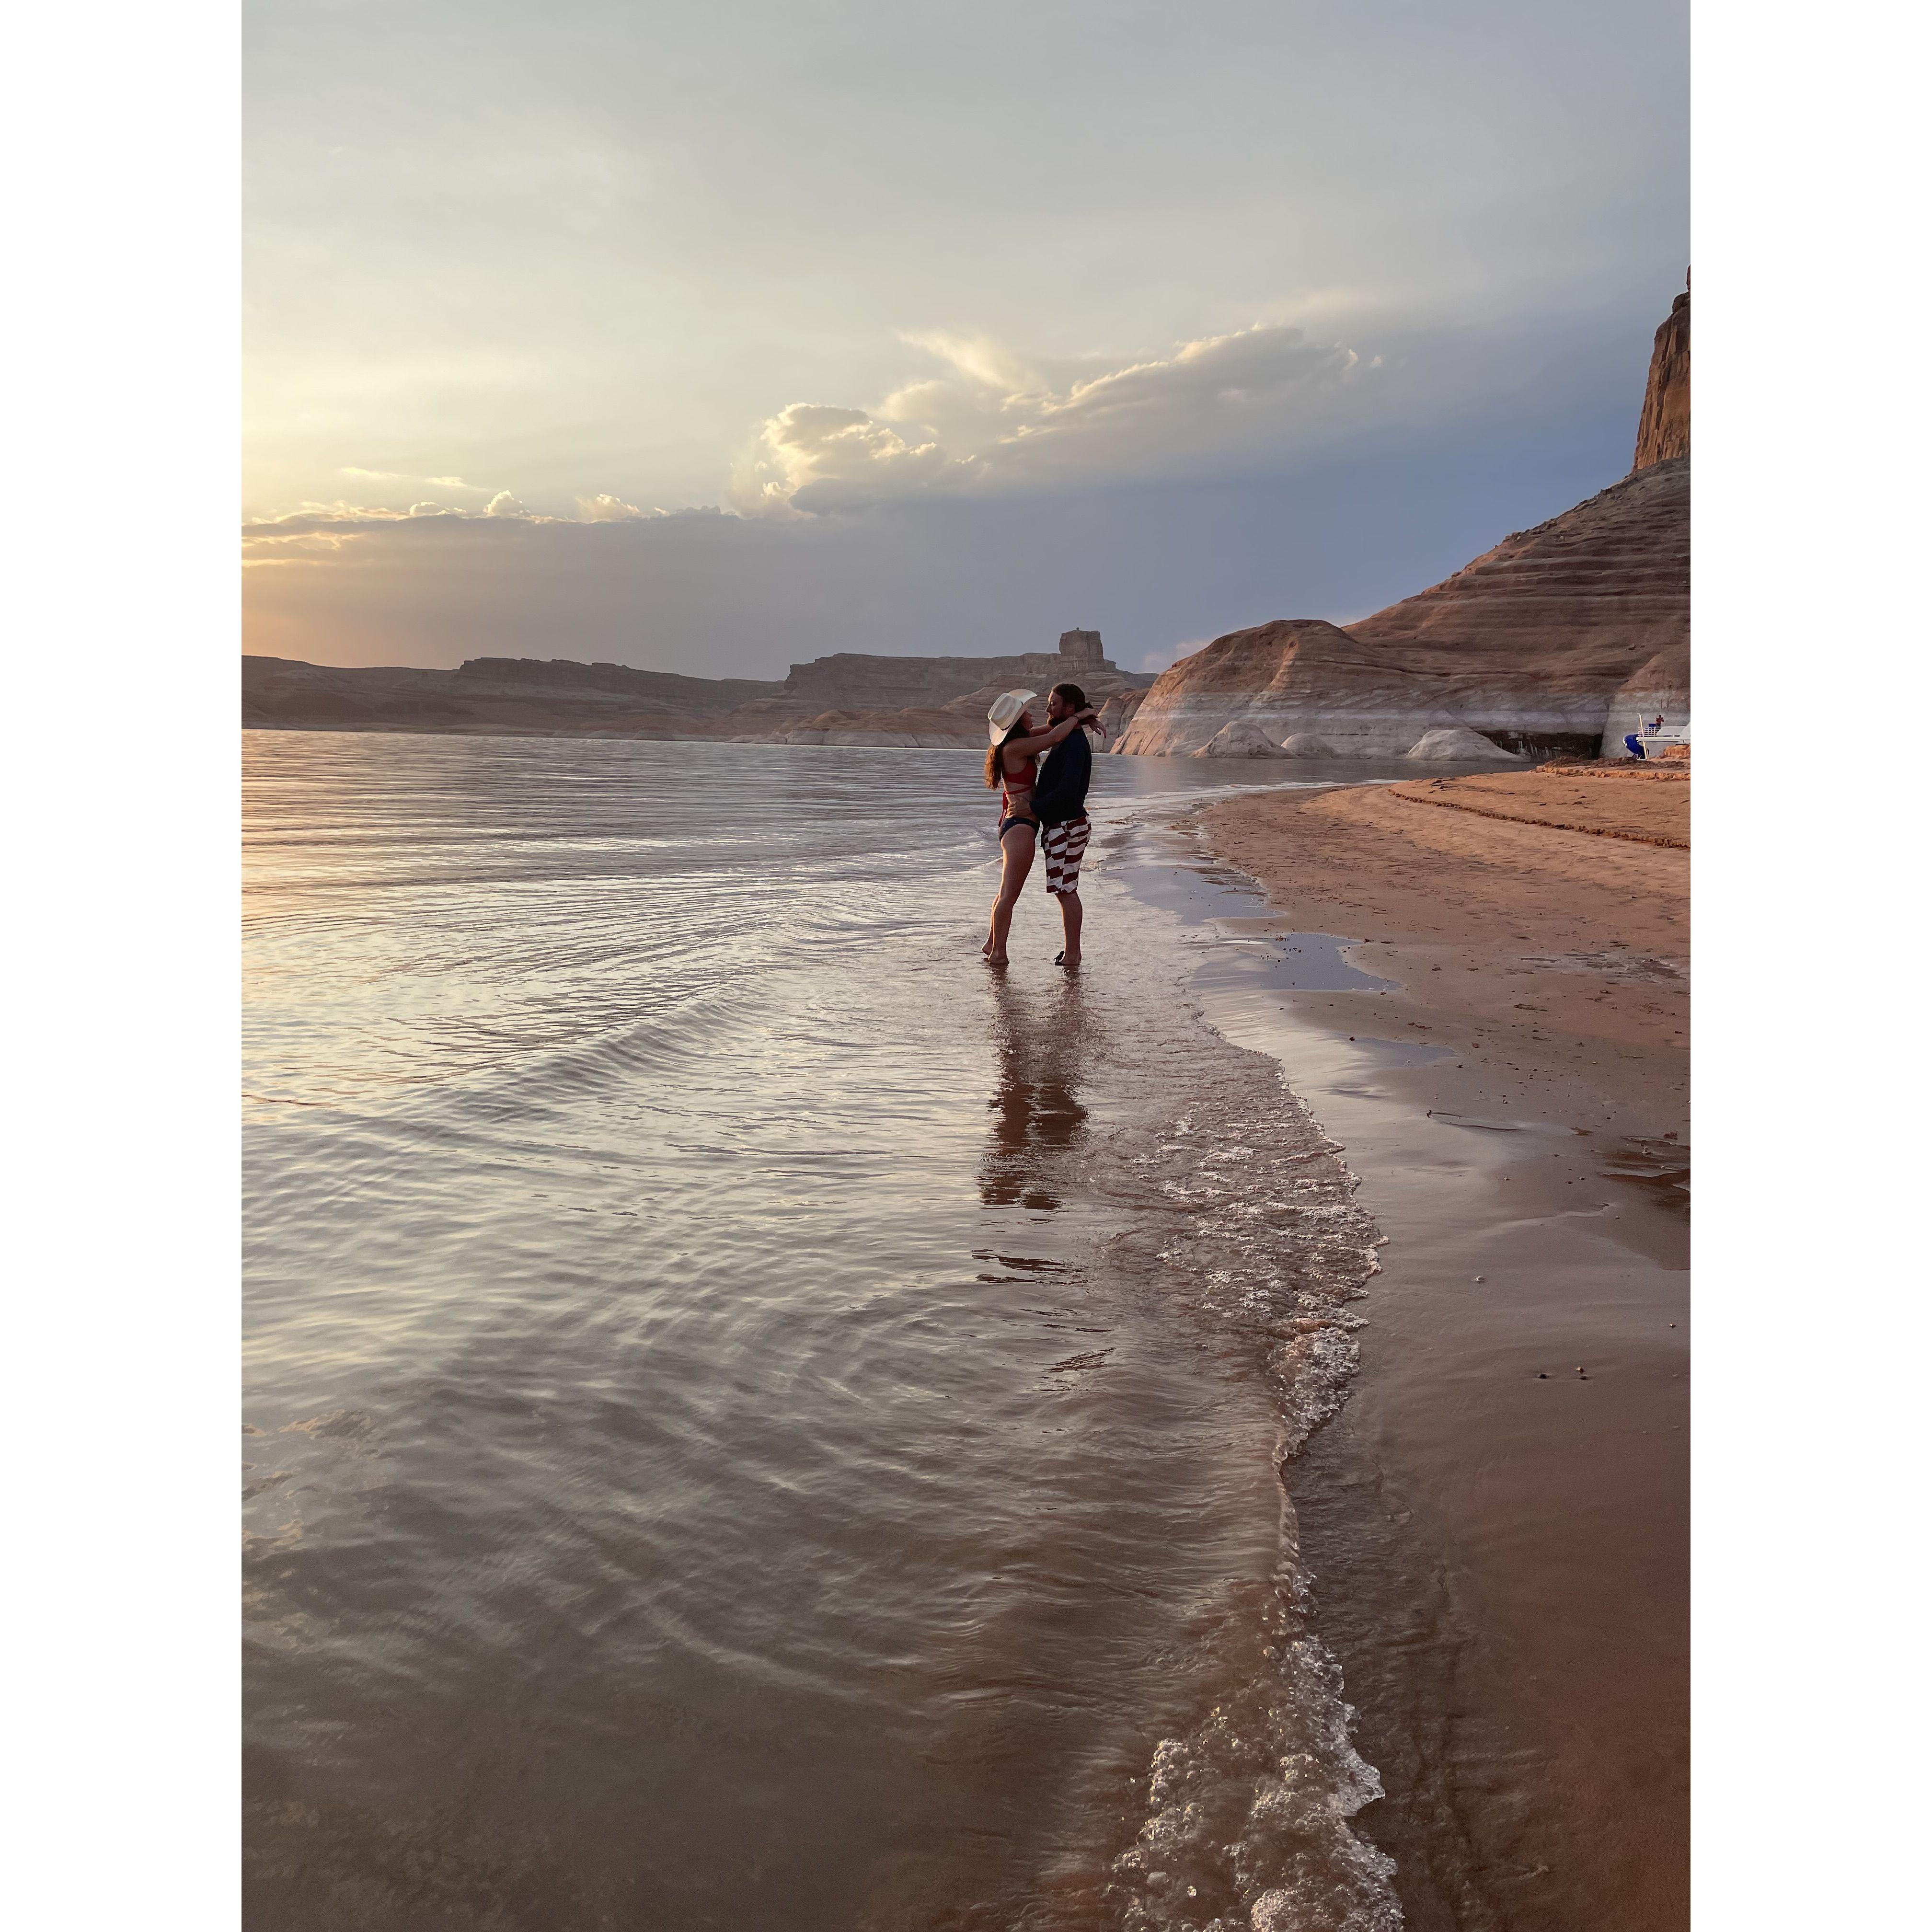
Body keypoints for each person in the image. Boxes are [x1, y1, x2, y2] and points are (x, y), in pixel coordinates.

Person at [980, 688, 1098, 967]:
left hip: (1019, 824)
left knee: (1005, 891)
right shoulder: (1015, 747)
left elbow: (1055, 727)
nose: (1033, 714)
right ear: (1017, 721)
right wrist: (1082, 715)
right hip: (1020, 826)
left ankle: (991, 942)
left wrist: (1085, 718)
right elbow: (1056, 735)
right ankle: (999, 954)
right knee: (1009, 895)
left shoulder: (1019, 740)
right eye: (1026, 713)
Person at [1031, 681, 1104, 969]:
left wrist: (1032, 808)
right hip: (1065, 824)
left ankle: (1074, 954)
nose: (1048, 708)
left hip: (1068, 825)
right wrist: (1086, 716)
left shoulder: (1073, 744)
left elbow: (1069, 790)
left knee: (1066, 890)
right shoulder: (1064, 737)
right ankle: (1072, 951)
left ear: (1069, 708)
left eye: (1053, 703)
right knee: (1065, 890)